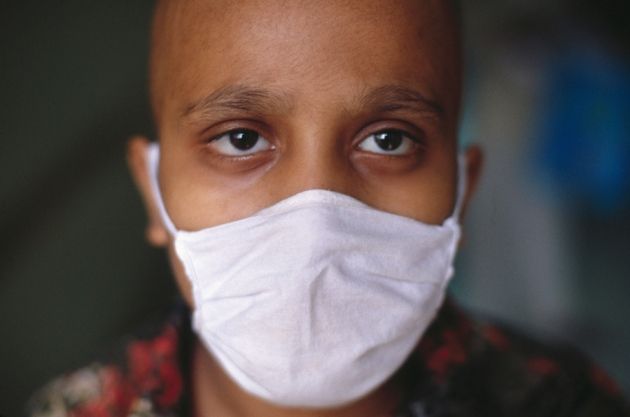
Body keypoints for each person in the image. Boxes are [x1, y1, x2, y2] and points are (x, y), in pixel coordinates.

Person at [28, 0, 629, 416]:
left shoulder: (562, 402)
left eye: (388, 140)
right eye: (241, 138)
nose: (315, 222)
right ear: (153, 191)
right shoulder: (79, 409)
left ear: (462, 192)